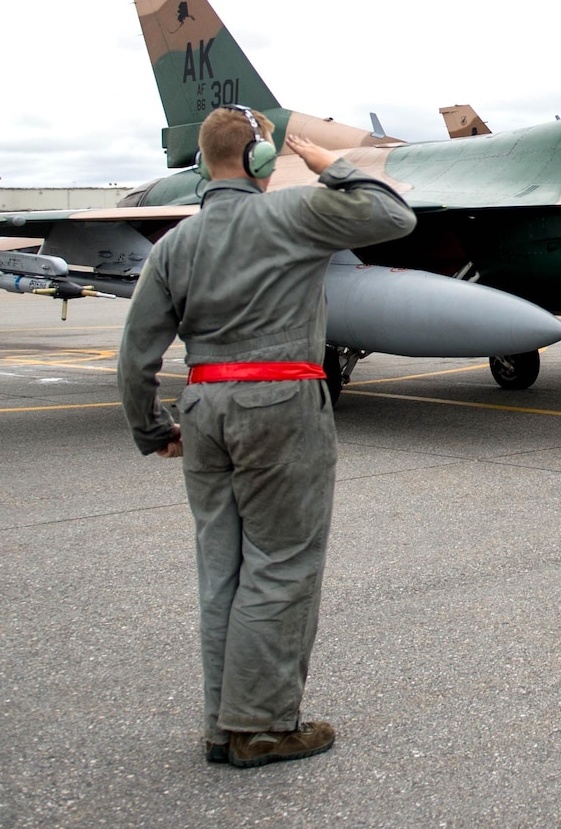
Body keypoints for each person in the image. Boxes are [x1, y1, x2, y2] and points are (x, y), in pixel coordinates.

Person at [119, 106, 416, 769]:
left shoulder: (175, 245)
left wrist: (152, 429)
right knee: (282, 562)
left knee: (221, 567)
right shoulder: (295, 212)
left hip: (203, 406)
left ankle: (222, 726)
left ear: (199, 166)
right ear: (259, 163)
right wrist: (328, 166)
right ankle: (264, 725)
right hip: (281, 401)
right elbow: (396, 218)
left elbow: (135, 354)